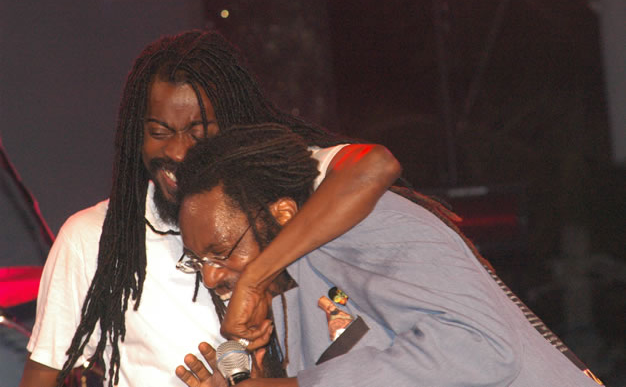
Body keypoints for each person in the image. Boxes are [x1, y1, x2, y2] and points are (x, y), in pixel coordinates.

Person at [20, 31, 401, 387]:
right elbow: (43, 373)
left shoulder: (281, 184)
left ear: (234, 127)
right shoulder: (95, 238)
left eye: (200, 132)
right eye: (159, 132)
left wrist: (255, 279)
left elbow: (375, 166)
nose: (179, 151)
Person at [174, 124, 604, 387]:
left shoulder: (361, 223)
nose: (210, 278)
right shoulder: (287, 292)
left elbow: (481, 350)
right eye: (197, 261)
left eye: (219, 253)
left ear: (283, 213)